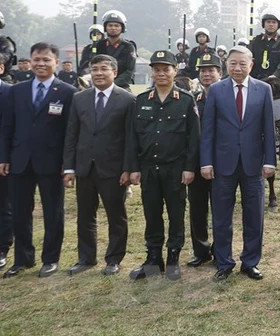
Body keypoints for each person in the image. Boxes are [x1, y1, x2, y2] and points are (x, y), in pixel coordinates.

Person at [200, 46, 276, 281]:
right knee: (222, 216)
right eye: (233, 63)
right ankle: (224, 262)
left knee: (254, 216)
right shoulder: (216, 90)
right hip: (223, 164)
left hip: (254, 164)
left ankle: (250, 262)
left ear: (251, 65)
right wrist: (206, 162)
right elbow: (208, 130)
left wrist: (270, 161)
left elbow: (268, 129)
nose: (237, 68)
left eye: (242, 63)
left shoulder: (263, 90)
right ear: (226, 65)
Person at [1, 42, 76, 278]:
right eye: (37, 59)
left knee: (53, 212)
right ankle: (23, 259)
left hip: (51, 162)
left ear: (55, 62)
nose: (41, 64)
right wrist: (4, 157)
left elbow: (69, 133)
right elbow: (7, 127)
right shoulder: (17, 90)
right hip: (19, 160)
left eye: (46, 59)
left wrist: (68, 163)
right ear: (30, 61)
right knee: (21, 211)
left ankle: (50, 259)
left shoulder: (67, 91)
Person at [125, 50, 199, 281]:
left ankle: (173, 259)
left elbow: (193, 139)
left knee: (176, 215)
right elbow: (133, 137)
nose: (161, 73)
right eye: (157, 69)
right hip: (148, 169)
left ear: (175, 71)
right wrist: (134, 167)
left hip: (175, 169)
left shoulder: (186, 100)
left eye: (166, 69)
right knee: (152, 214)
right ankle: (153, 259)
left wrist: (189, 168)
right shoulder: (141, 100)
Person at [62, 54, 135, 276]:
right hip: (85, 167)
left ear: (114, 71)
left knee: (116, 215)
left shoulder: (127, 99)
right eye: (95, 69)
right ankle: (86, 257)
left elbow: (131, 138)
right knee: (85, 215)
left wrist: (128, 168)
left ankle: (113, 259)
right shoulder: (79, 98)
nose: (99, 73)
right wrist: (69, 168)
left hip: (113, 169)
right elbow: (72, 134)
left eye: (104, 69)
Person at [187, 52, 222, 268]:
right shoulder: (193, 99)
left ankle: (220, 250)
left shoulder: (226, 97)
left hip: (221, 163)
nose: (206, 74)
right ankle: (201, 251)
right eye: (203, 71)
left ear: (220, 72)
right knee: (197, 208)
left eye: (211, 70)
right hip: (198, 161)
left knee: (220, 209)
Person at [249, 10, 280, 81]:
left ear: (278, 24)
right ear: (264, 24)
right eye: (268, 22)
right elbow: (248, 59)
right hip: (256, 80)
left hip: (277, 82)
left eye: (274, 22)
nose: (271, 25)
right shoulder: (255, 41)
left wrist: (275, 75)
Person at [99, 10, 136, 90]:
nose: (113, 28)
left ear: (122, 28)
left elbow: (130, 71)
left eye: (116, 26)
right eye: (110, 25)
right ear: (105, 27)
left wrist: (112, 84)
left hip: (121, 86)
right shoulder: (99, 45)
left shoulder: (128, 47)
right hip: (100, 84)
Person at [0, 55, 12, 269]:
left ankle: (2, 248)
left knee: (4, 206)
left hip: (1, 160)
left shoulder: (10, 93)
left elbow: (11, 129)